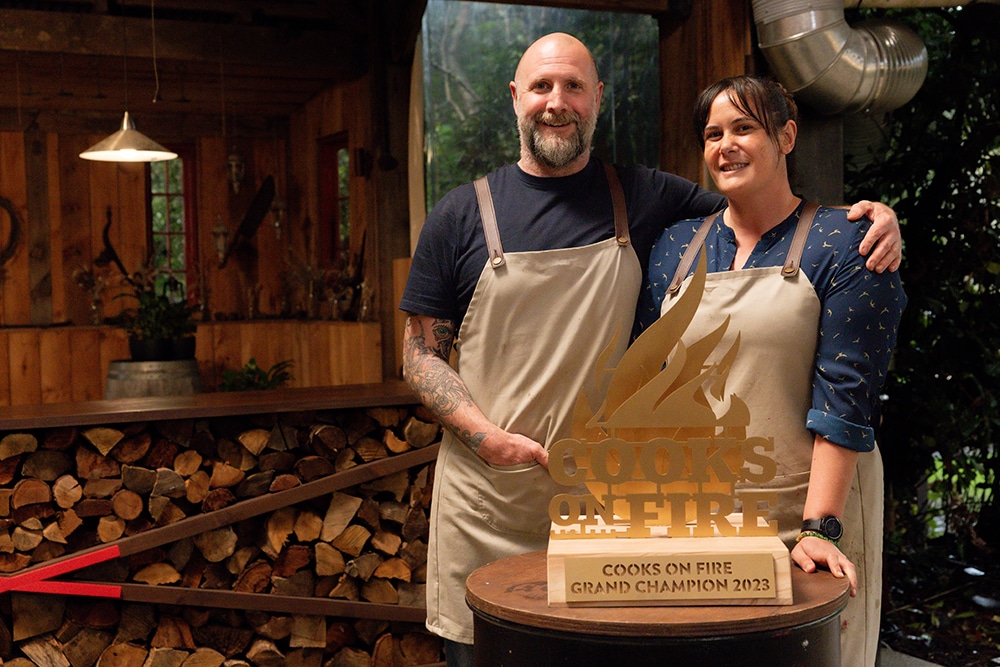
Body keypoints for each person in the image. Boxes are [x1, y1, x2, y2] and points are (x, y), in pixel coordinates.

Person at [400, 33, 903, 667]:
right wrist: (483, 436)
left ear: (598, 99)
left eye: (575, 86)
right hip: (486, 500)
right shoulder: (459, 216)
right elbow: (419, 355)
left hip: (608, 520)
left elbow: (769, 213)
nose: (557, 103)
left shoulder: (645, 201)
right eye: (541, 87)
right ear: (515, 97)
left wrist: (875, 218)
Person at [635, 75, 905, 667]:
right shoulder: (675, 246)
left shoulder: (846, 242)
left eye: (743, 128)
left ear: (785, 136)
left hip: (811, 508)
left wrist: (820, 528)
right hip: (700, 517)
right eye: (712, 134)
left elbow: (847, 397)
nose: (725, 145)